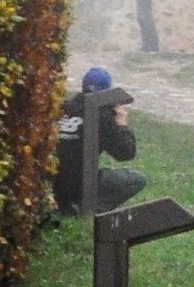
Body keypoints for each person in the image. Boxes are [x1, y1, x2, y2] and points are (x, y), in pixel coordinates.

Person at [54, 66, 146, 213]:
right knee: (136, 179)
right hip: (80, 186)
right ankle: (90, 209)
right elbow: (126, 153)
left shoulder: (62, 109)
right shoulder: (103, 116)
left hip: (52, 184)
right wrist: (121, 125)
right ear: (107, 92)